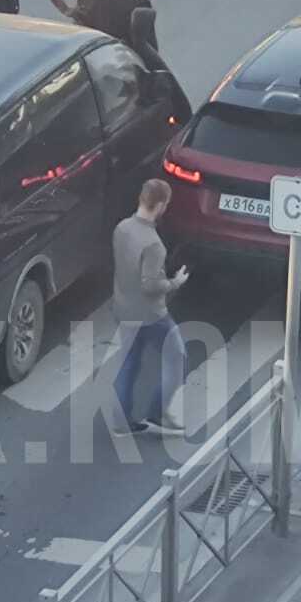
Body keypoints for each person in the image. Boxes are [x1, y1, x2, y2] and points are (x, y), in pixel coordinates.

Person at [111, 179, 188, 436]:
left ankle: (122, 421)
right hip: (150, 314)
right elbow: (150, 285)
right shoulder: (153, 244)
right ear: (161, 205)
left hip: (123, 308)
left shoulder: (122, 228)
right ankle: (157, 412)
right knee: (177, 356)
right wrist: (175, 282)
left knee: (129, 362)